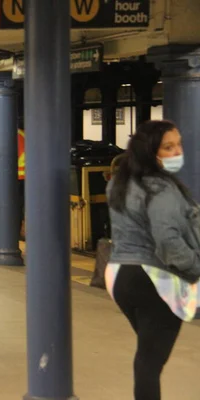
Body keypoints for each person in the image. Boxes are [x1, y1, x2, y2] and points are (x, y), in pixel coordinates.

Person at [106, 120, 200, 400]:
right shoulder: (161, 189)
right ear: (151, 152)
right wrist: (196, 268)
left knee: (148, 355)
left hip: (122, 277)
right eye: (168, 147)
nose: (177, 152)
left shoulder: (121, 184)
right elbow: (168, 241)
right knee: (150, 361)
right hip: (155, 278)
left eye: (178, 144)